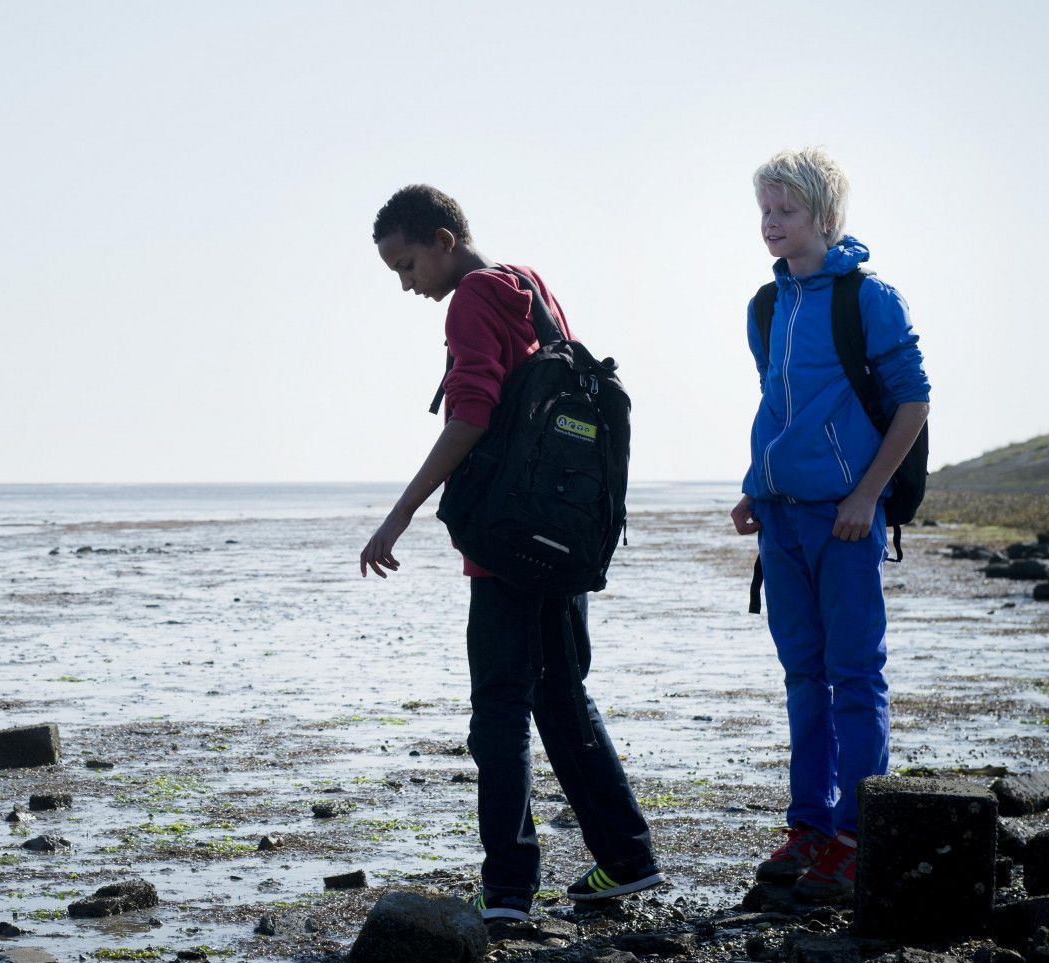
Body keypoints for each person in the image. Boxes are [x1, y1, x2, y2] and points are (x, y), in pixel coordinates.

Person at [359, 184, 660, 923]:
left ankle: (508, 891)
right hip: (561, 537)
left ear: (441, 239)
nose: (407, 285)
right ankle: (626, 859)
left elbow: (471, 412)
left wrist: (398, 514)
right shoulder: (529, 287)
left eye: (406, 265)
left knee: (499, 709)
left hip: (507, 547)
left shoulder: (471, 298)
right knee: (560, 695)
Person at [729, 149, 930, 905]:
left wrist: (864, 498)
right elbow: (777, 406)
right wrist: (758, 485)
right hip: (780, 517)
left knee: (855, 675)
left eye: (786, 211)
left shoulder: (870, 298)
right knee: (801, 678)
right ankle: (809, 826)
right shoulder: (765, 306)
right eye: (766, 211)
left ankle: (855, 833)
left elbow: (913, 403)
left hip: (846, 519)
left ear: (824, 217)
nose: (771, 224)